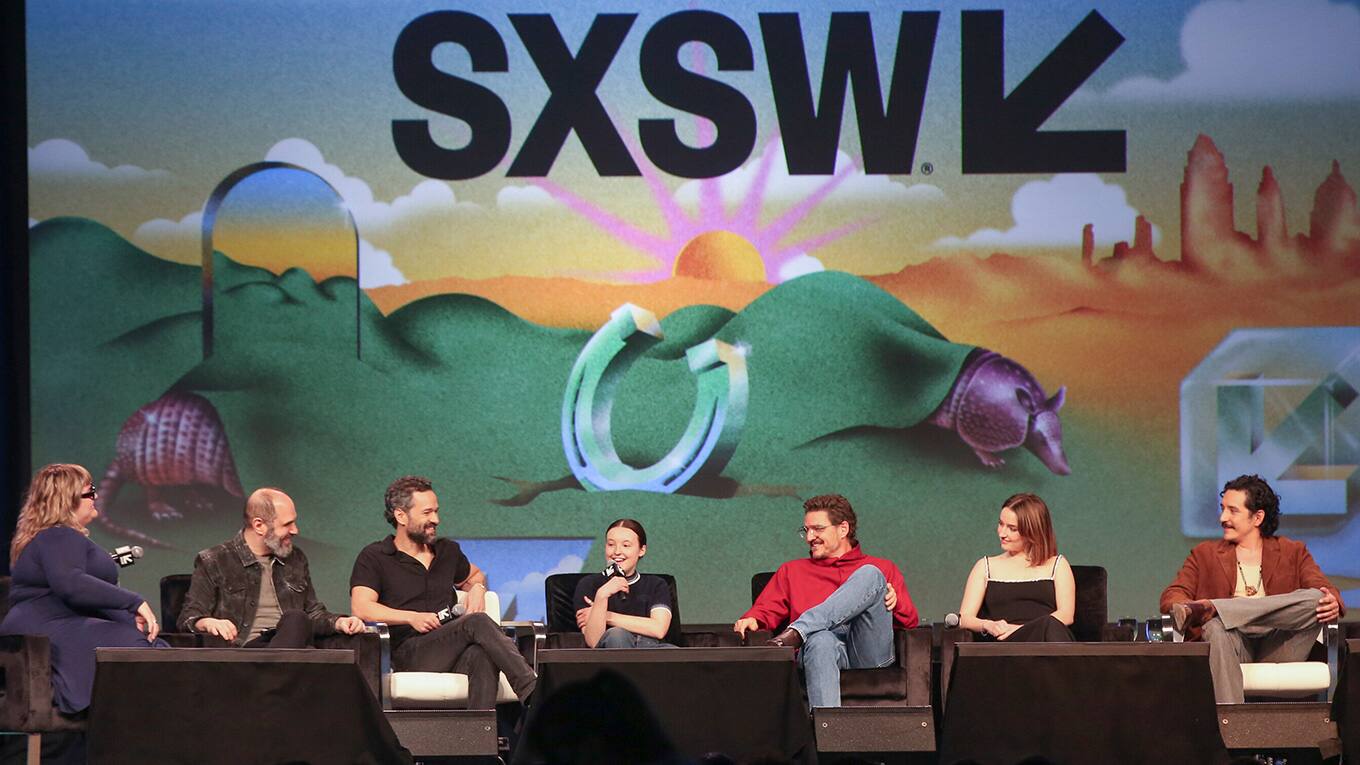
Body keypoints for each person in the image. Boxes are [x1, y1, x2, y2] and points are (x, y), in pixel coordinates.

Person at [350, 475, 536, 709]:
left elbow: (475, 576)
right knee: (476, 622)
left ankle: (478, 739)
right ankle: (534, 693)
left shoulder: (447, 551)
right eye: (426, 513)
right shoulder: (375, 556)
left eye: (436, 511)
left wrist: (477, 589)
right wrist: (411, 617)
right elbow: (362, 607)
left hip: (449, 647)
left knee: (482, 655)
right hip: (407, 652)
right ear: (401, 516)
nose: (435, 519)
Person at [1160, 474, 1345, 703]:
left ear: (1257, 517)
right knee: (1214, 626)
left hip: (1279, 643)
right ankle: (1231, 725)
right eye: (1222, 509)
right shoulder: (1204, 554)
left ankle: (1215, 608)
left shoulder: (1292, 551)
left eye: (1232, 510)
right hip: (1232, 646)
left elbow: (1324, 588)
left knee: (1316, 598)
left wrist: (1332, 600)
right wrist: (1182, 605)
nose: (1223, 518)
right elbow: (1173, 594)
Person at [0, 464, 165, 715]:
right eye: (90, 492)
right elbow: (71, 584)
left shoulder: (59, 538)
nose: (96, 497)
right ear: (67, 500)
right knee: (134, 652)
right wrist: (134, 602)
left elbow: (80, 594)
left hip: (56, 623)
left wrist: (123, 618)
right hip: (43, 631)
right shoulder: (58, 535)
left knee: (155, 650)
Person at [732, 494, 919, 708]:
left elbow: (910, 622)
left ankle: (799, 632)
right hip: (818, 651)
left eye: (818, 529)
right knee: (821, 639)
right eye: (806, 530)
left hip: (868, 653)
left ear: (843, 529)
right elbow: (766, 609)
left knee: (870, 574)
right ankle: (828, 733)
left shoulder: (881, 568)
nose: (810, 537)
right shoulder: (792, 571)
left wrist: (896, 604)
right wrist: (753, 618)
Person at [177, 487, 365, 646]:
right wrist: (207, 622)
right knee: (296, 620)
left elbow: (313, 613)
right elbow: (188, 617)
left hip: (292, 649)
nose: (295, 530)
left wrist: (339, 622)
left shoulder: (296, 558)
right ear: (259, 525)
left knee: (297, 621)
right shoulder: (215, 559)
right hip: (245, 653)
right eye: (287, 524)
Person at [955, 493, 1075, 642]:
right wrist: (988, 625)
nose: (1002, 533)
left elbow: (1066, 615)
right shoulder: (985, 566)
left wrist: (1020, 629)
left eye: (1012, 528)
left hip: (1044, 642)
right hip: (1005, 644)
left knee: (1050, 625)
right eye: (1001, 524)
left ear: (1033, 531)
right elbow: (964, 618)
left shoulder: (1057, 565)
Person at [573, 519, 673, 648]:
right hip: (610, 654)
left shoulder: (656, 584)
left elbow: (658, 629)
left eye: (626, 545)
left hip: (649, 650)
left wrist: (606, 616)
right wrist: (602, 595)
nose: (617, 552)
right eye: (611, 544)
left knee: (674, 653)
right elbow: (593, 641)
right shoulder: (589, 584)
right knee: (617, 635)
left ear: (641, 550)